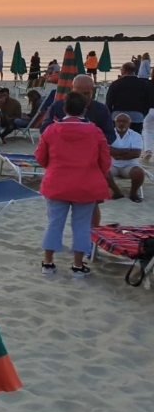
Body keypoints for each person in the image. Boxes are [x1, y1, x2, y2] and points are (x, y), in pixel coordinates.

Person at [35, 92, 111, 278]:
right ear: (85, 109)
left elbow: (40, 157)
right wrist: (94, 174)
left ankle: (48, 263)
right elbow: (105, 161)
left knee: (54, 223)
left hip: (57, 183)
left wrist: (53, 168)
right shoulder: (95, 132)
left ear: (64, 108)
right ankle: (77, 265)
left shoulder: (51, 130)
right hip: (86, 185)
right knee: (82, 225)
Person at [107, 113, 145, 203]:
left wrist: (116, 154)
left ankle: (133, 194)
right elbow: (107, 150)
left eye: (124, 121)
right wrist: (127, 150)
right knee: (102, 171)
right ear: (115, 122)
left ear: (129, 123)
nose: (121, 123)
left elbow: (136, 154)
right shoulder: (109, 134)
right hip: (112, 165)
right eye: (119, 121)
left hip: (130, 166)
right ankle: (117, 192)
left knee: (139, 173)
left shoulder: (136, 135)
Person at [106, 62, 151, 132]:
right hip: (136, 115)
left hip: (118, 115)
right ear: (134, 70)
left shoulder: (115, 84)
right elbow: (148, 101)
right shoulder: (143, 84)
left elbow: (109, 101)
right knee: (135, 136)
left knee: (117, 136)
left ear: (123, 71)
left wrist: (111, 114)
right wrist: (142, 113)